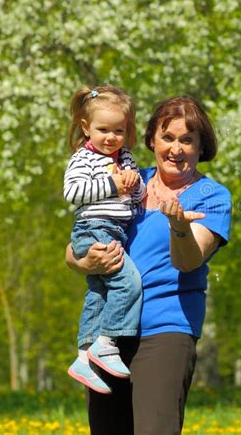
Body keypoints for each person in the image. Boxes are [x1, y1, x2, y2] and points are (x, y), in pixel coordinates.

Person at [66, 96, 232, 435]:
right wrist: (85, 261)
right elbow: (75, 246)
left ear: (202, 147)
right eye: (167, 137)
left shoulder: (210, 196)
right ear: (151, 141)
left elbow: (188, 261)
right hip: (107, 336)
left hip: (165, 330)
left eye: (187, 140)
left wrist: (179, 226)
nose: (176, 148)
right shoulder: (127, 181)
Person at [64, 85, 146, 394]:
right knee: (129, 284)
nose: (111, 137)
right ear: (86, 128)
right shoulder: (82, 159)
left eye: (119, 131)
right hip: (94, 229)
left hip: (116, 230)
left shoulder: (126, 158)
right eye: (103, 130)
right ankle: (107, 342)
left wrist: (134, 184)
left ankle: (84, 355)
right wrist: (111, 183)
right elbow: (72, 193)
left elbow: (137, 197)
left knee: (99, 293)